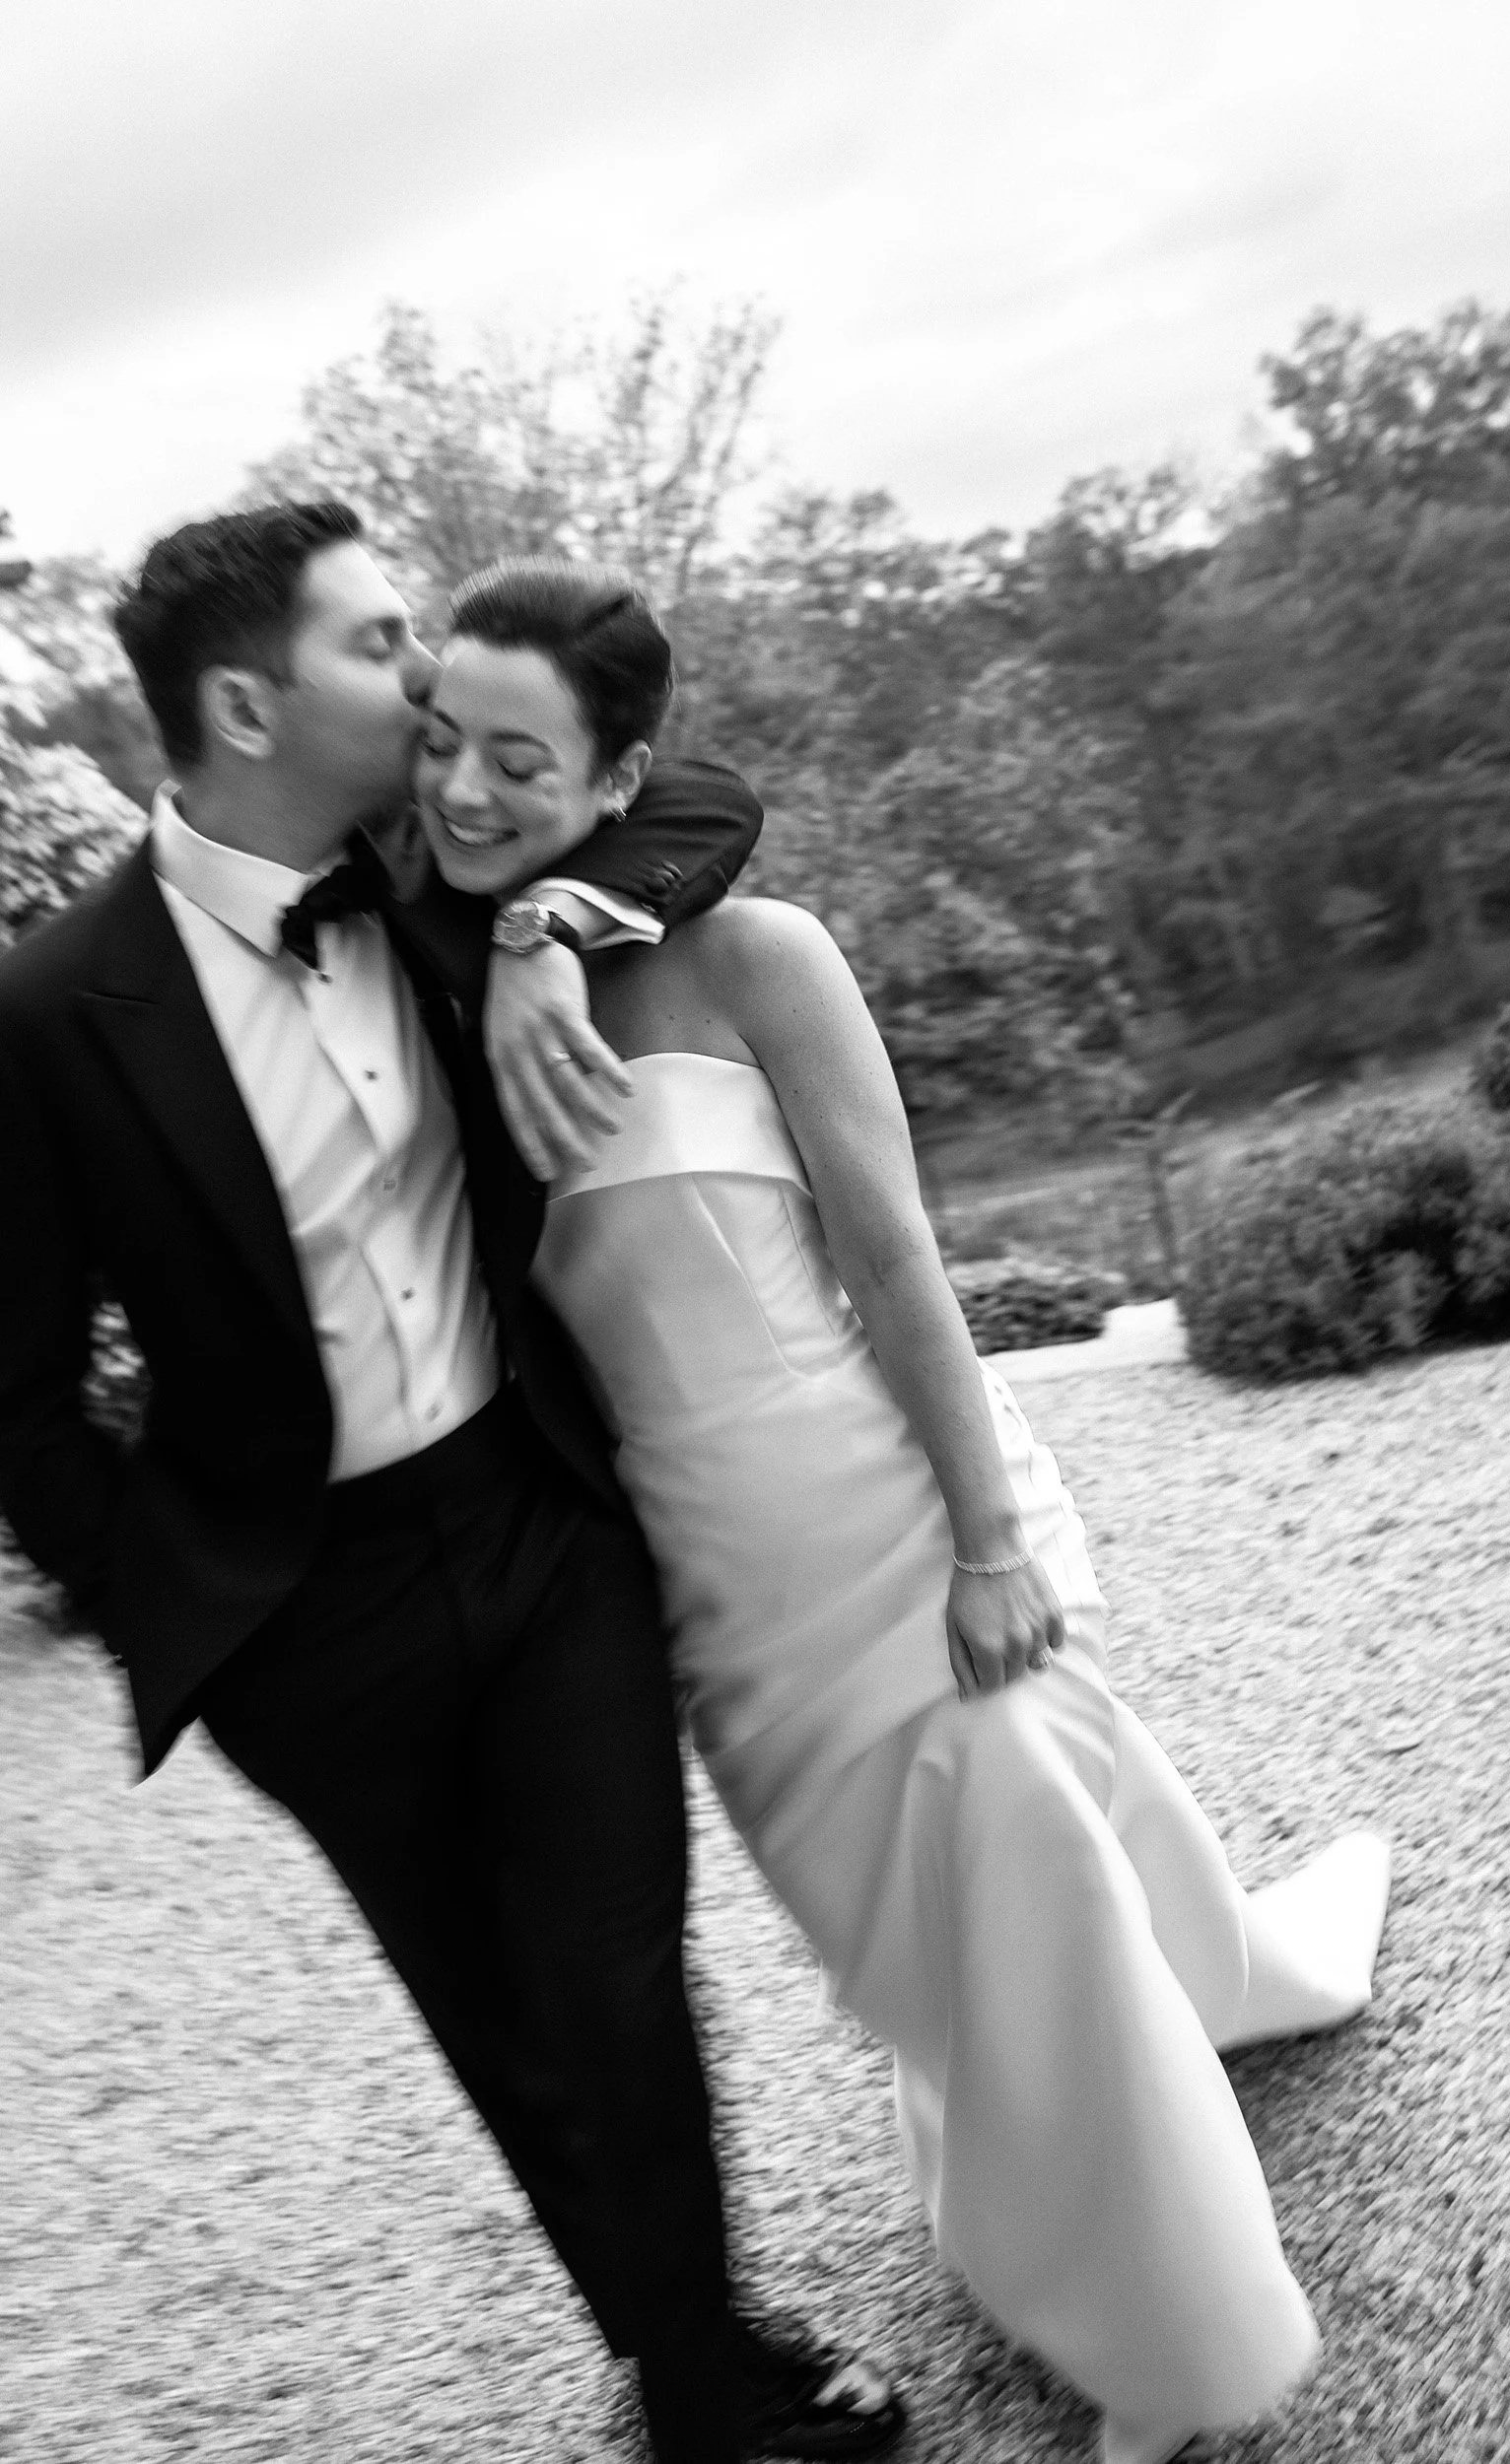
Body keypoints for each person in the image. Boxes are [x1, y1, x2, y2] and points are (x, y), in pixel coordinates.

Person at [415, 554, 1396, 2464]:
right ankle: (1156, 2050)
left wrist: (987, 1540)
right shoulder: (443, 986)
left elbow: (895, 1259)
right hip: (707, 1589)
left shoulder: (757, 956)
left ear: (617, 780)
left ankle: (1176, 2340)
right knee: (902, 1946)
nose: (459, 786)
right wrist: (528, 925)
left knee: (1029, 1886)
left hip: (883, 1513)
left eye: (516, 760)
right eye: (439, 740)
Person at [0, 503, 907, 2463]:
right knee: (493, 2017)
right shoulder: (52, 1010)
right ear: (246, 707)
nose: (422, 673)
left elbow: (697, 798)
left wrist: (538, 932)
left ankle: (702, 2389)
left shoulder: (443, 878)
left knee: (617, 1977)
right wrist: (178, 1608)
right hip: (302, 1614)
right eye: (377, 639)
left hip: (536, 1519)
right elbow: (14, 1393)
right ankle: (675, 2336)